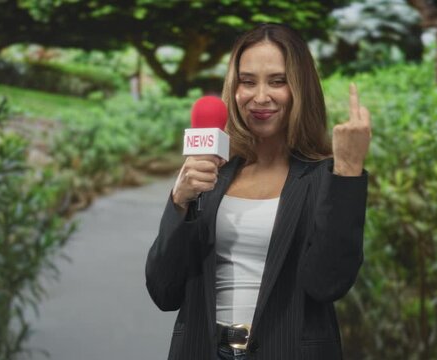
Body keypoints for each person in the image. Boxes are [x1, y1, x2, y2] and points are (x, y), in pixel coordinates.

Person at [145, 23, 371, 360]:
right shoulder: (211, 173)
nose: (260, 97)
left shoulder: (327, 177)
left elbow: (328, 283)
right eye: (247, 82)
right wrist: (179, 201)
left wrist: (349, 168)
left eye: (277, 81)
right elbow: (164, 290)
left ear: (300, 89)